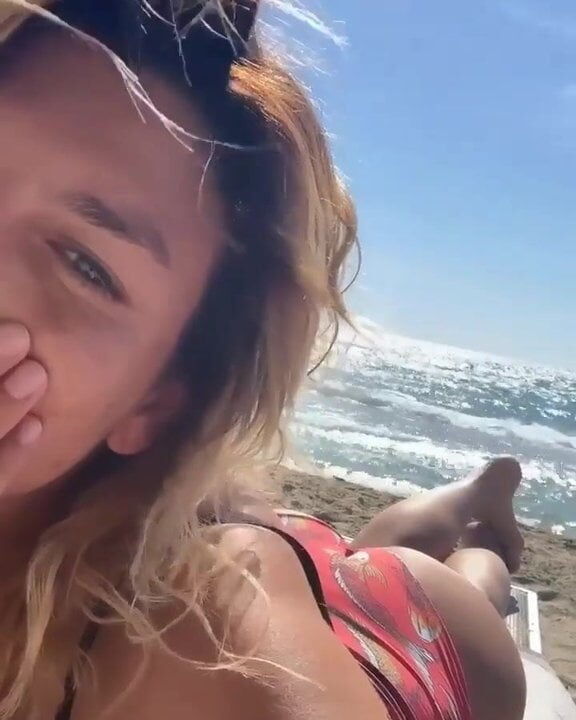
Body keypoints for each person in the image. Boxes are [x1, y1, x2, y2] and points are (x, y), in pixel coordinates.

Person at [0, 1, 525, 719]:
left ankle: (479, 506)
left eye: (85, 266)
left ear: (157, 400)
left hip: (405, 637)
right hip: (260, 548)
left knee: (459, 581)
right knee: (385, 541)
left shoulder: (201, 650)